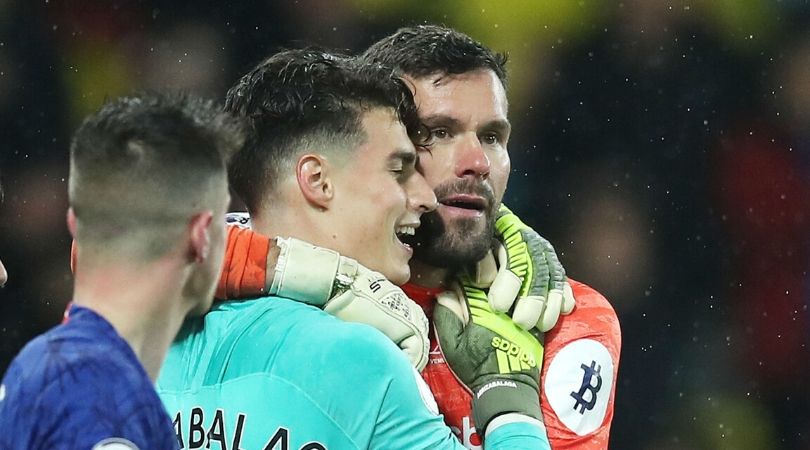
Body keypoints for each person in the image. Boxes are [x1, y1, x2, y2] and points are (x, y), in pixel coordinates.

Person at [216, 25, 622, 449]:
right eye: (438, 133)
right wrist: (306, 273)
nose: (478, 162)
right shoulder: (269, 300)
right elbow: (182, 253)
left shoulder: (563, 320)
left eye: (492, 137)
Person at [157, 49, 551, 449]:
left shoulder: (155, 336)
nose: (424, 198)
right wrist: (510, 400)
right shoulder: (358, 361)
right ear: (318, 180)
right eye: (398, 171)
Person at [0, 93, 242, 450]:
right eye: (226, 219)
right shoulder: (99, 397)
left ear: (74, 225)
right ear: (201, 236)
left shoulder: (38, 368)